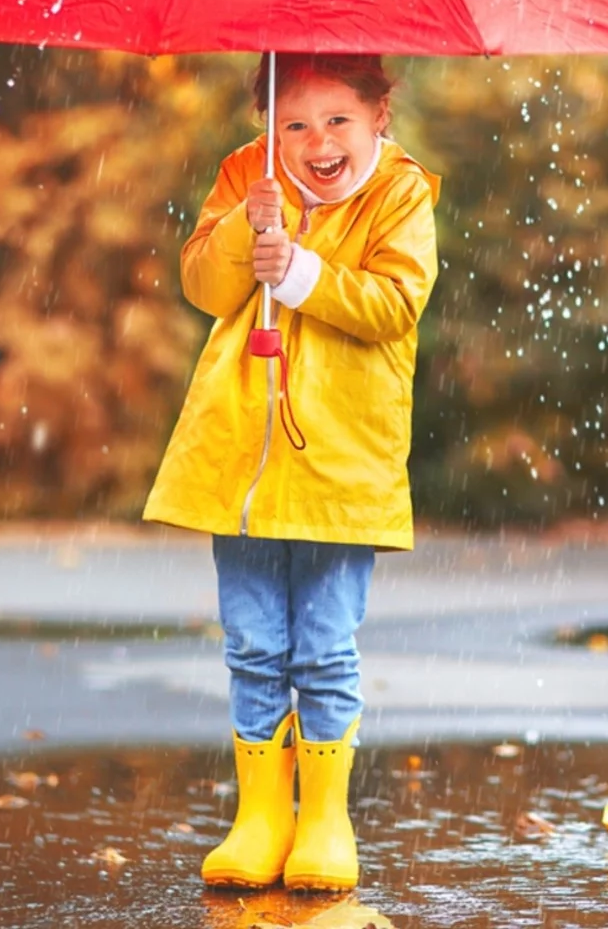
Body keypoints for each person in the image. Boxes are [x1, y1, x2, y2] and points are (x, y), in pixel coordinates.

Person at [143, 52, 440, 892]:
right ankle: (261, 817)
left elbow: (394, 306)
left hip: (339, 462)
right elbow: (204, 286)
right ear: (269, 127)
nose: (317, 142)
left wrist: (301, 272)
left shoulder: (401, 194)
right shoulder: (248, 173)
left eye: (338, 119)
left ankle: (324, 820)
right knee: (253, 645)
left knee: (324, 649)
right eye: (294, 125)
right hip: (241, 456)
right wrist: (247, 226)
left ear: (379, 113)